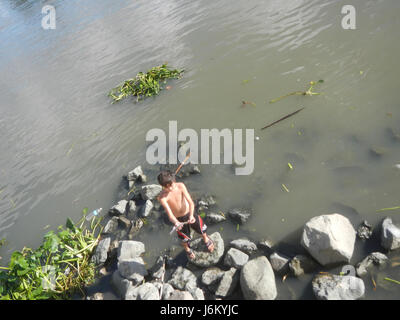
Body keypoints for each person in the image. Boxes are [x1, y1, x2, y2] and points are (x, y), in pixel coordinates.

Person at [157, 170, 214, 260]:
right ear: (162, 186)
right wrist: (176, 223)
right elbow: (170, 215)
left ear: (174, 180)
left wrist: (191, 215)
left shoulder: (180, 186)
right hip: (178, 220)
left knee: (201, 228)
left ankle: (206, 239)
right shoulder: (162, 197)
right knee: (184, 238)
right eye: (166, 187)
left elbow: (191, 203)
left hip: (189, 213)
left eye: (171, 185)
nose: (170, 189)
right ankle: (187, 249)